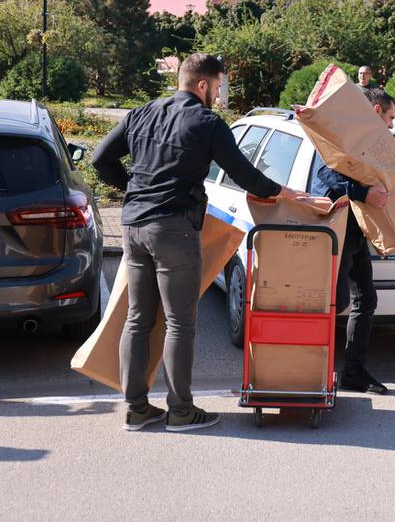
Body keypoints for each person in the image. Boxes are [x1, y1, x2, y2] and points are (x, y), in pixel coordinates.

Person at [92, 53, 304, 432]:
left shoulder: (141, 113)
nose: (219, 95)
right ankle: (180, 411)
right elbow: (246, 175)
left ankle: (136, 409)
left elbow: (100, 158)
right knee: (179, 323)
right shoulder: (207, 123)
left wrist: (134, 190)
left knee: (138, 318)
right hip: (174, 228)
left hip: (134, 225)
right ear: (202, 85)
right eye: (219, 86)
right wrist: (285, 194)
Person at [310, 88, 394, 394]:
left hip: (356, 233)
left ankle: (353, 373)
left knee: (365, 300)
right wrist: (364, 193)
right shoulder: (341, 138)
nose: (392, 126)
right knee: (337, 302)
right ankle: (312, 372)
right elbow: (325, 180)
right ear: (375, 112)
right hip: (338, 232)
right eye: (390, 117)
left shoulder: (373, 145)